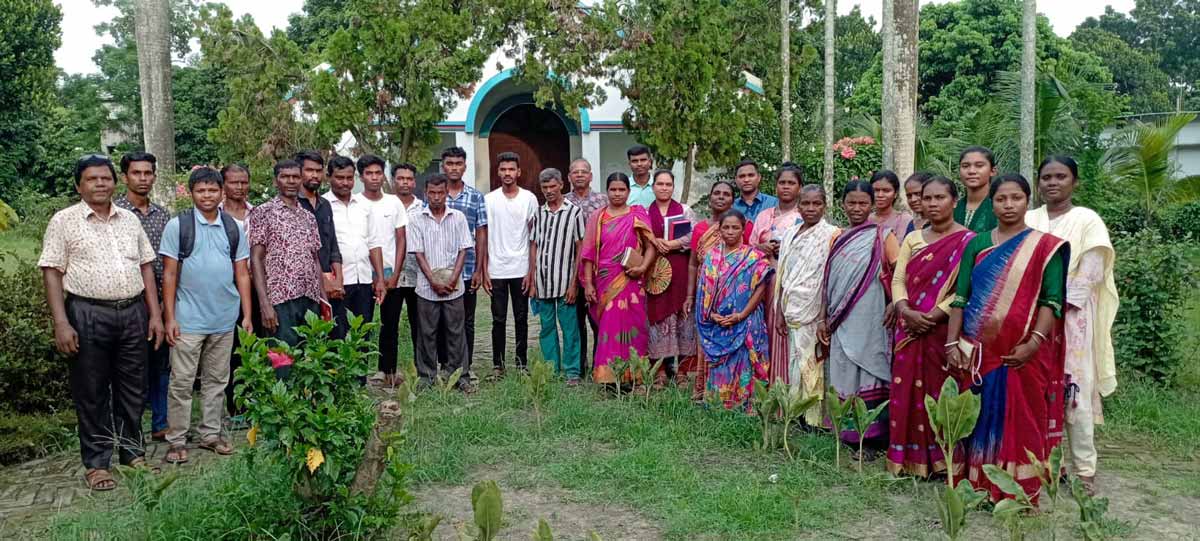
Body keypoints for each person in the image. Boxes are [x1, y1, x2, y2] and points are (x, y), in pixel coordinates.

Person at [39, 154, 165, 491]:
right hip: (87, 313)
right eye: (92, 179)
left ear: (114, 182)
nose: (100, 184)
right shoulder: (64, 221)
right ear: (79, 185)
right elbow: (52, 271)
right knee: (91, 390)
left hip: (133, 312)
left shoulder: (129, 220)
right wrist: (61, 322)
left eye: (105, 178)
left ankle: (132, 454)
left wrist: (155, 315)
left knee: (133, 389)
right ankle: (96, 464)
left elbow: (146, 268)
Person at [946, 173, 1068, 503]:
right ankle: (978, 485)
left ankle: (1017, 490)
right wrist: (951, 343)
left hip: (1021, 353)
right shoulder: (978, 243)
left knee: (1020, 417)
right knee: (978, 417)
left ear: (1028, 201)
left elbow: (1051, 301)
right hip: (978, 352)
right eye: (1001, 199)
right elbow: (961, 297)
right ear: (992, 202)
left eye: (1016, 198)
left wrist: (1034, 342)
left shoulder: (1044, 248)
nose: (1008, 204)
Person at [1026, 156, 1118, 495]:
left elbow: (1089, 276)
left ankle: (1084, 471)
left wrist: (1045, 298)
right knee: (1034, 392)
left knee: (1073, 394)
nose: (1053, 182)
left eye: (1060, 176)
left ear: (1074, 182)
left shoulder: (1087, 220)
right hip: (1030, 321)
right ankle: (1045, 466)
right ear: (1038, 183)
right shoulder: (1029, 218)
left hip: (1073, 322)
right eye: (1046, 177)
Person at [159, 168, 252, 464]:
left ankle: (210, 434)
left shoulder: (232, 226)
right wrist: (170, 317)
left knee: (216, 380)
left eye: (213, 190)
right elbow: (170, 274)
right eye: (201, 190)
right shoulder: (179, 226)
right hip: (188, 320)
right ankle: (176, 440)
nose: (208, 195)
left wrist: (247, 315)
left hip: (224, 319)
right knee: (182, 382)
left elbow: (242, 272)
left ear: (221, 192)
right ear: (191, 193)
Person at [886, 176, 975, 478]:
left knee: (940, 391)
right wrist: (904, 309)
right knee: (906, 390)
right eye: (928, 198)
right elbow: (899, 279)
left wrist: (933, 316)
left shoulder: (968, 240)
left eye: (940, 198)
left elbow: (964, 288)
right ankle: (907, 459)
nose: (933, 204)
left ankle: (942, 460)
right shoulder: (913, 238)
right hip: (908, 328)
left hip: (942, 331)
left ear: (954, 201)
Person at [817, 180, 899, 452]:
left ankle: (874, 435)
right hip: (840, 318)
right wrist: (823, 318)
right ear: (842, 204)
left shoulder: (883, 235)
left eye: (863, 203)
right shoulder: (839, 238)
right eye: (851, 202)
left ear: (872, 204)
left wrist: (895, 303)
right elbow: (828, 281)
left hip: (872, 317)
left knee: (869, 368)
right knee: (843, 368)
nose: (857, 208)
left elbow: (900, 274)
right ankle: (847, 433)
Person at [580, 172, 657, 386]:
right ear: (607, 191)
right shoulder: (598, 217)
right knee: (609, 328)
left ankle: (635, 375)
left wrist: (642, 267)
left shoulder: (637, 214)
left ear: (628, 191)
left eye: (621, 189)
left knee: (635, 326)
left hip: (631, 280)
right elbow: (587, 254)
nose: (617, 193)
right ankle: (608, 378)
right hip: (604, 281)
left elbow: (651, 246)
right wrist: (587, 283)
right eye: (613, 189)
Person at [114, 152, 171, 442]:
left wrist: (164, 306)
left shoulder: (163, 215)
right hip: (128, 301)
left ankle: (160, 423)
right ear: (125, 177)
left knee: (161, 364)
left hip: (162, 300)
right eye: (136, 173)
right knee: (129, 369)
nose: (143, 178)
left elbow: (170, 262)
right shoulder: (115, 213)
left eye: (148, 173)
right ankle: (126, 431)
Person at [695, 210, 774, 409]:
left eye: (735, 227)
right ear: (719, 230)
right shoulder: (711, 257)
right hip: (718, 324)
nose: (730, 232)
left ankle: (745, 407)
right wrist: (711, 314)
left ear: (743, 229)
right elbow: (704, 288)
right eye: (726, 227)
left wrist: (742, 314)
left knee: (745, 364)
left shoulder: (754, 256)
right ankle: (718, 406)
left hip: (746, 323)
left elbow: (761, 288)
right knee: (721, 368)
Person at [775, 184, 839, 425]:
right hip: (791, 308)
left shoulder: (832, 234)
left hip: (815, 309)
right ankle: (796, 411)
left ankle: (813, 419)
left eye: (816, 204)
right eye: (806, 203)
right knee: (795, 360)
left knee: (813, 361)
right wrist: (780, 312)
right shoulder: (791, 233)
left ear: (824, 206)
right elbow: (783, 273)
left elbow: (828, 278)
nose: (811, 208)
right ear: (798, 205)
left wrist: (824, 315)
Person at [248, 160, 325, 355]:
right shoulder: (263, 212)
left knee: (310, 358)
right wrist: (265, 304)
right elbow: (256, 259)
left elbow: (315, 259)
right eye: (285, 177)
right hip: (280, 298)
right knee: (282, 359)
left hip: (309, 297)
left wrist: (323, 300)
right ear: (276, 181)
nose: (291, 181)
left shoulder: (308, 216)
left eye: (295, 177)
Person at [686, 181, 754, 398]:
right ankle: (705, 388)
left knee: (733, 342)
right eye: (717, 193)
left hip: (736, 298)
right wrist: (690, 295)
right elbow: (693, 264)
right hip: (706, 297)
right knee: (706, 342)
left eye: (726, 194)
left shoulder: (747, 226)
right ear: (710, 197)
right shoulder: (700, 229)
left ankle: (732, 389)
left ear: (733, 199)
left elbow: (747, 263)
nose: (721, 197)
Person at [408, 174, 475, 389]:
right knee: (427, 333)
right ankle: (426, 377)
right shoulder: (417, 219)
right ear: (426, 193)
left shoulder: (458, 217)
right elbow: (418, 253)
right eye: (432, 193)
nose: (436, 197)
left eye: (440, 193)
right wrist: (434, 282)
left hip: (454, 288)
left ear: (447, 193)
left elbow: (464, 250)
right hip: (427, 289)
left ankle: (459, 376)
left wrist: (453, 279)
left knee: (456, 332)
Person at [483, 152, 539, 376]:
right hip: (496, 268)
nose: (507, 173)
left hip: (521, 268)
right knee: (498, 319)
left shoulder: (529, 199)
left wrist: (531, 272)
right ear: (498, 172)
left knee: (521, 318)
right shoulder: (489, 200)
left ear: (519, 172)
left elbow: (534, 238)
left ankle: (521, 363)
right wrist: (485, 269)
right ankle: (498, 365)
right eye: (503, 169)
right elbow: (484, 236)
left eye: (511, 169)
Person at [529, 168, 586, 384]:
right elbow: (534, 245)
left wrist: (575, 283)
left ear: (562, 184)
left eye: (553, 186)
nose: (549, 191)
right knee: (546, 328)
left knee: (570, 329)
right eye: (545, 187)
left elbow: (580, 248)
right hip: (543, 282)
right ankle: (552, 369)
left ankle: (572, 371)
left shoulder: (574, 212)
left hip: (565, 283)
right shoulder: (539, 212)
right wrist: (533, 277)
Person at [324, 156, 388, 339]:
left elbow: (374, 244)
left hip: (364, 282)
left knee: (361, 336)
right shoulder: (322, 206)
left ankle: (362, 369)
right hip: (337, 284)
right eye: (339, 177)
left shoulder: (364, 206)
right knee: (337, 336)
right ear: (329, 177)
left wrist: (380, 279)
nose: (345, 183)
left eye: (349, 178)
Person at [752, 165, 803, 387]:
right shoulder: (764, 216)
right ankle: (762, 382)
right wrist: (763, 248)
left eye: (791, 183)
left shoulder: (804, 215)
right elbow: (748, 247)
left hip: (792, 284)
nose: (786, 187)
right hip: (763, 282)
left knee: (784, 332)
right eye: (782, 182)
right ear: (775, 186)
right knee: (763, 329)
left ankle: (784, 385)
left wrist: (787, 249)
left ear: (799, 187)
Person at [645, 170, 697, 386]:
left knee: (683, 319)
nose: (664, 187)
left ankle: (683, 370)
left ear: (673, 187)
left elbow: (693, 236)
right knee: (658, 319)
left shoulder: (684, 210)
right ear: (653, 187)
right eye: (660, 184)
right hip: (656, 272)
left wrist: (671, 244)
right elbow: (640, 233)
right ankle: (660, 370)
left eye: (668, 184)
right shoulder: (645, 212)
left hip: (680, 270)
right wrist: (654, 241)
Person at [441, 146, 487, 378]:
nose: (454, 168)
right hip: (440, 271)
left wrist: (479, 269)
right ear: (443, 166)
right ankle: (445, 365)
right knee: (442, 321)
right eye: (450, 163)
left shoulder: (476, 197)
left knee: (467, 321)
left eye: (458, 164)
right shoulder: (434, 195)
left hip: (467, 270)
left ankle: (465, 368)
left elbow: (480, 233)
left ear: (465, 167)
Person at [377, 162, 422, 386]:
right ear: (393, 180)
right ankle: (387, 372)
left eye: (409, 178)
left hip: (417, 275)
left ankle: (421, 370)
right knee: (389, 324)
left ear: (414, 181)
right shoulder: (384, 205)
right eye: (400, 178)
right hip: (390, 275)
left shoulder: (422, 207)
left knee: (419, 324)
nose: (405, 182)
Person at [564, 157, 606, 375]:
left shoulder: (603, 201)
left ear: (590, 176)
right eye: (575, 172)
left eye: (583, 172)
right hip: (569, 272)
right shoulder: (562, 202)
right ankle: (578, 366)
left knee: (597, 321)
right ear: (569, 176)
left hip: (597, 272)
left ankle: (600, 364)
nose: (579, 175)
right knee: (575, 322)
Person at [295, 150, 345, 311]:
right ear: (299, 172)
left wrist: (338, 280)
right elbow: (299, 252)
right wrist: (323, 281)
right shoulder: (292, 206)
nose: (315, 175)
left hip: (331, 284)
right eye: (309, 170)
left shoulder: (325, 204)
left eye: (318, 170)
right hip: (302, 286)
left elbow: (333, 245)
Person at [954, 146, 999, 233]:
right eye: (965, 166)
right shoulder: (952, 208)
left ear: (993, 171)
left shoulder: (1001, 207)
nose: (971, 171)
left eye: (979, 166)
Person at [869, 170, 915, 238]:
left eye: (886, 191)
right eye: (876, 190)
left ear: (895, 194)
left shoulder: (905, 220)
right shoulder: (866, 220)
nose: (880, 195)